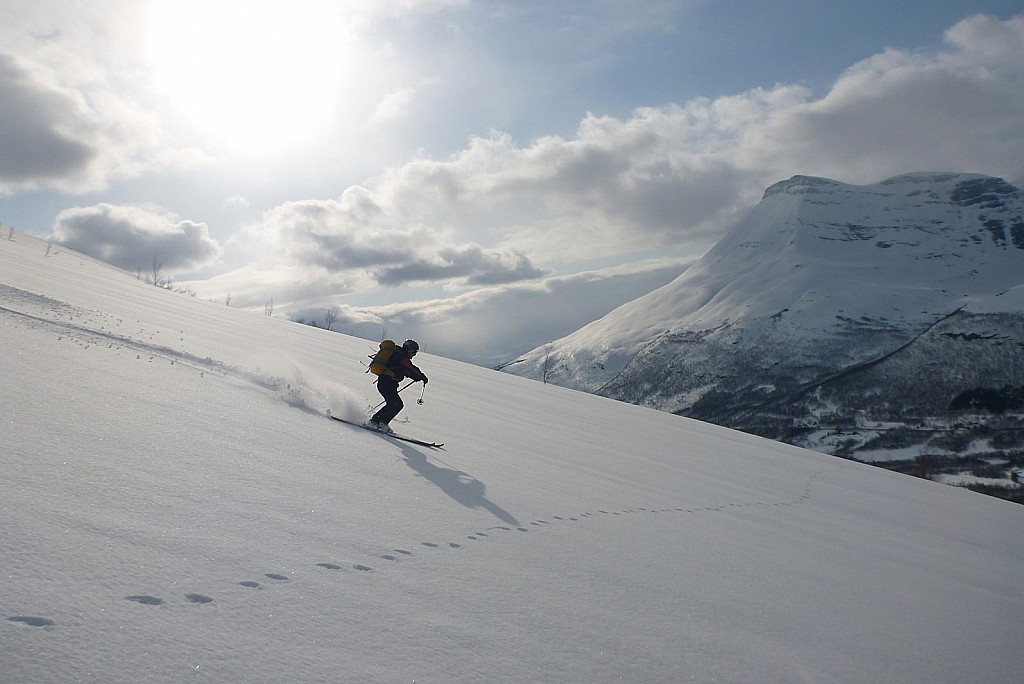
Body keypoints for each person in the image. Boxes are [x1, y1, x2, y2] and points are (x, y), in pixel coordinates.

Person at [367, 339, 428, 433]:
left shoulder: (399, 356)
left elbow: (406, 371)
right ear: (409, 350)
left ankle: (381, 423)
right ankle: (375, 422)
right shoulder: (401, 356)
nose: (414, 354)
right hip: (386, 383)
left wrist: (416, 377)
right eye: (414, 352)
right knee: (395, 404)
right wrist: (420, 376)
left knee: (395, 404)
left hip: (387, 383)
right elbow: (411, 368)